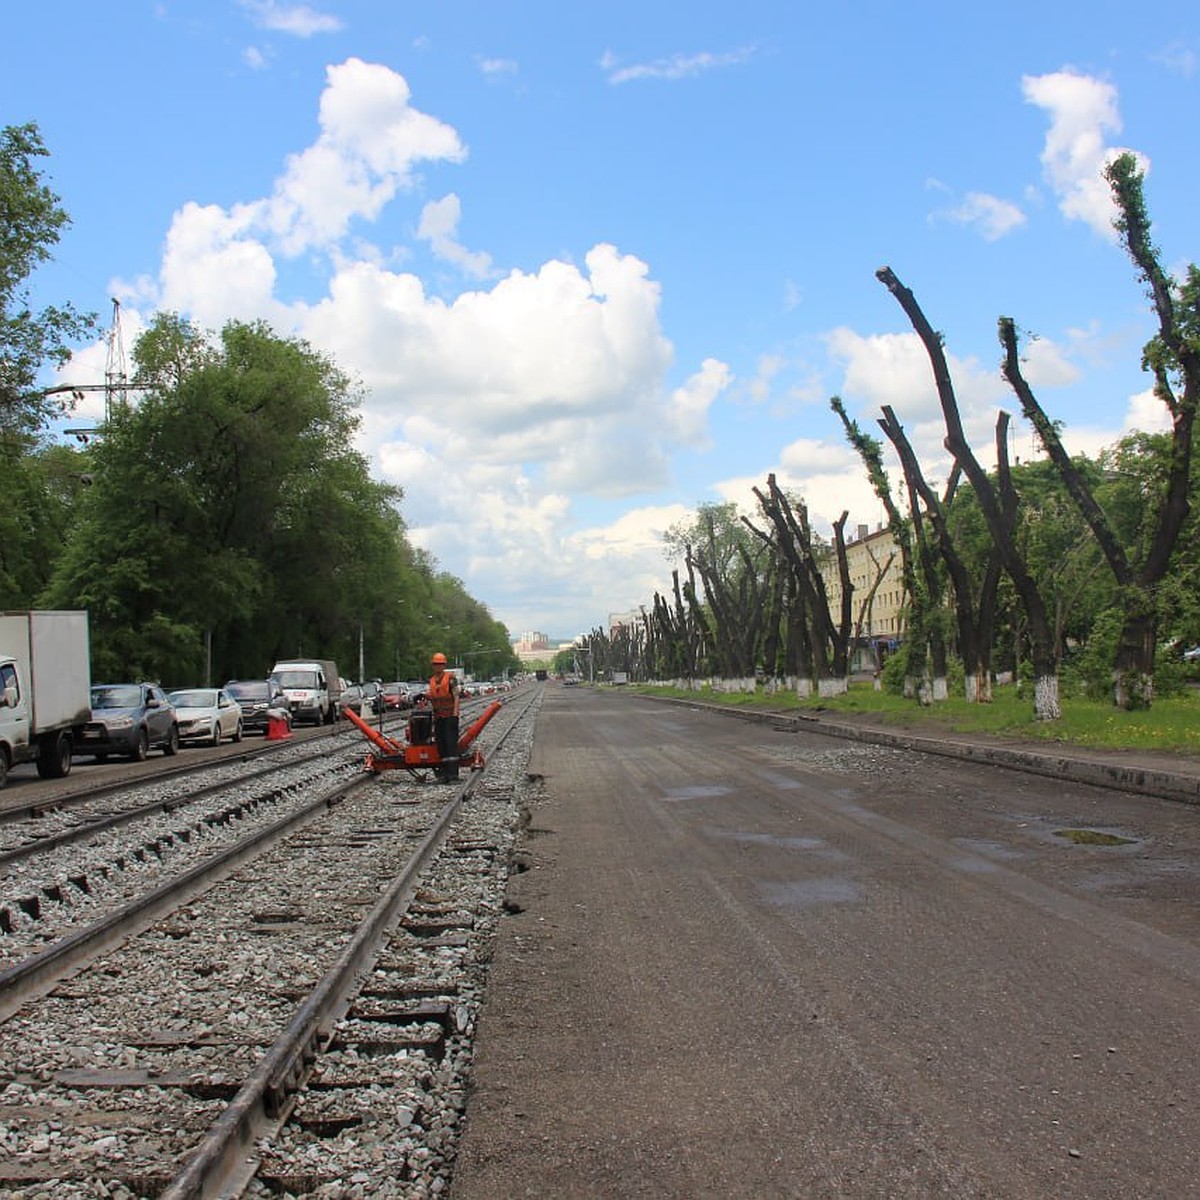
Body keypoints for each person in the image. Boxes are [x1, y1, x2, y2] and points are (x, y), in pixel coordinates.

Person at [428, 652, 461, 782]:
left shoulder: (450, 678)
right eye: (436, 664)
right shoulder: (431, 680)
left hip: (449, 716)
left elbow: (456, 696)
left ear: (444, 665)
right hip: (438, 717)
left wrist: (455, 714)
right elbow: (434, 695)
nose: (438, 667)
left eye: (440, 664)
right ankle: (443, 772)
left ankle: (453, 773)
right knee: (441, 744)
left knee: (450, 744)